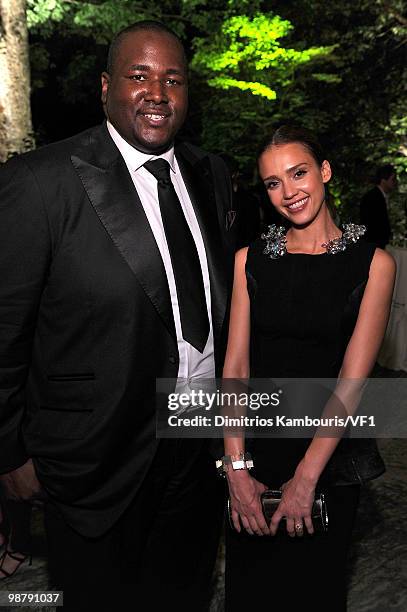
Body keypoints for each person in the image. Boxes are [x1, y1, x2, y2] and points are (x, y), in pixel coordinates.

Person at [0, 21, 235, 611]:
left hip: (198, 446)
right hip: (95, 461)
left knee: (182, 596)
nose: (157, 93)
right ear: (106, 87)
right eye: (139, 76)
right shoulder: (40, 182)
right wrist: (10, 454)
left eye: (173, 80)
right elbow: (5, 333)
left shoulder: (213, 175)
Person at [220, 125, 395, 611]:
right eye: (273, 182)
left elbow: (352, 383)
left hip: (328, 456)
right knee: (250, 594)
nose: (288, 192)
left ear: (325, 172)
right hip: (255, 454)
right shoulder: (248, 260)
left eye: (298, 174)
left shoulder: (373, 265)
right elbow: (235, 365)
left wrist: (306, 478)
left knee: (313, 593)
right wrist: (236, 468)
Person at [360, 164, 397, 248]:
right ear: (384, 180)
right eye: (393, 179)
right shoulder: (372, 198)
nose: (395, 182)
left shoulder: (380, 195)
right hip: (374, 245)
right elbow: (371, 225)